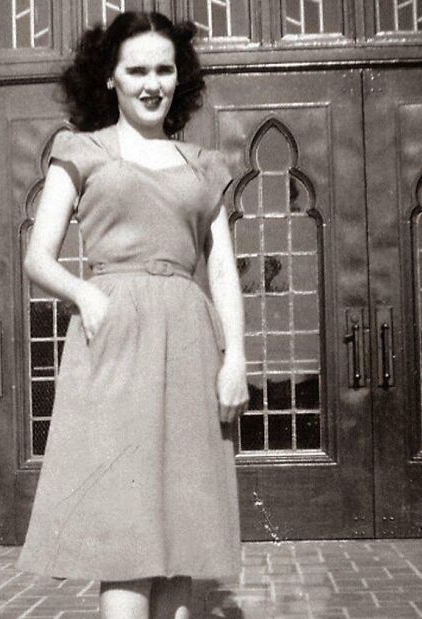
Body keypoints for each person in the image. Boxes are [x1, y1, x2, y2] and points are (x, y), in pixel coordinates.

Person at [16, 11, 249, 619]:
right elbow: (38, 257)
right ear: (110, 79)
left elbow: (222, 269)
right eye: (137, 69)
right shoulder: (81, 150)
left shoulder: (204, 165)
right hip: (116, 341)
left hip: (192, 343)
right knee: (127, 536)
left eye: (164, 69)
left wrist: (237, 362)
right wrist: (87, 294)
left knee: (180, 532)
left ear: (181, 78)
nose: (152, 83)